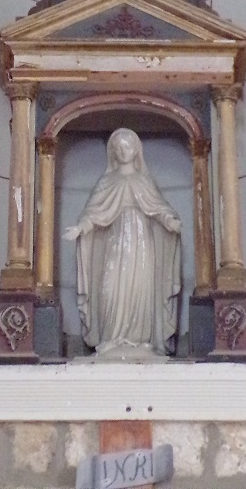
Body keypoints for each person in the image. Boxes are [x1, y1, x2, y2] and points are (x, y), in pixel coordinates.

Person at [63, 128, 182, 358]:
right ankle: (111, 338)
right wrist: (80, 228)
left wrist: (170, 222)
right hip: (115, 240)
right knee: (109, 288)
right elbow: (95, 213)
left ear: (136, 150)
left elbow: (158, 209)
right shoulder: (107, 181)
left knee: (140, 289)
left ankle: (140, 341)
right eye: (117, 147)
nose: (122, 151)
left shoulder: (143, 180)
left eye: (127, 146)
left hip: (142, 244)